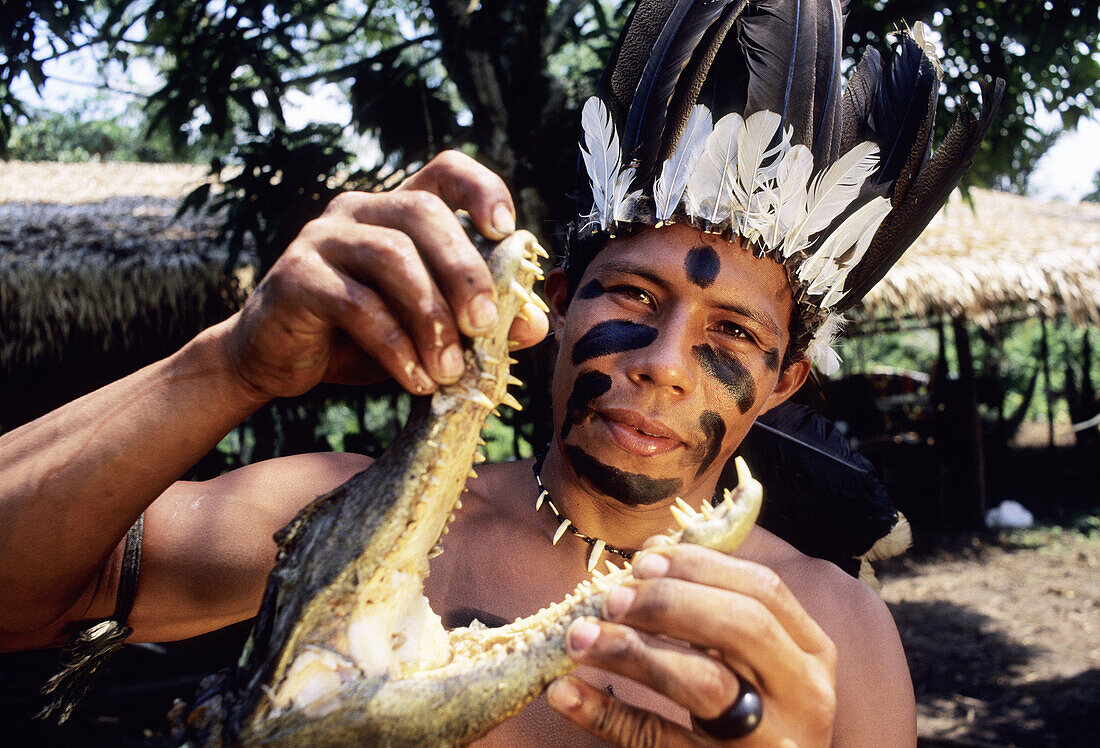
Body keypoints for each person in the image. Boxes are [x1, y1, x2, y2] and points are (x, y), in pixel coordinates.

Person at [1, 0, 1002, 743]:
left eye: (732, 335)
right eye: (634, 300)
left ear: (782, 381)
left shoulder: (831, 624)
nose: (661, 365)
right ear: (555, 304)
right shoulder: (352, 527)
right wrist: (225, 367)